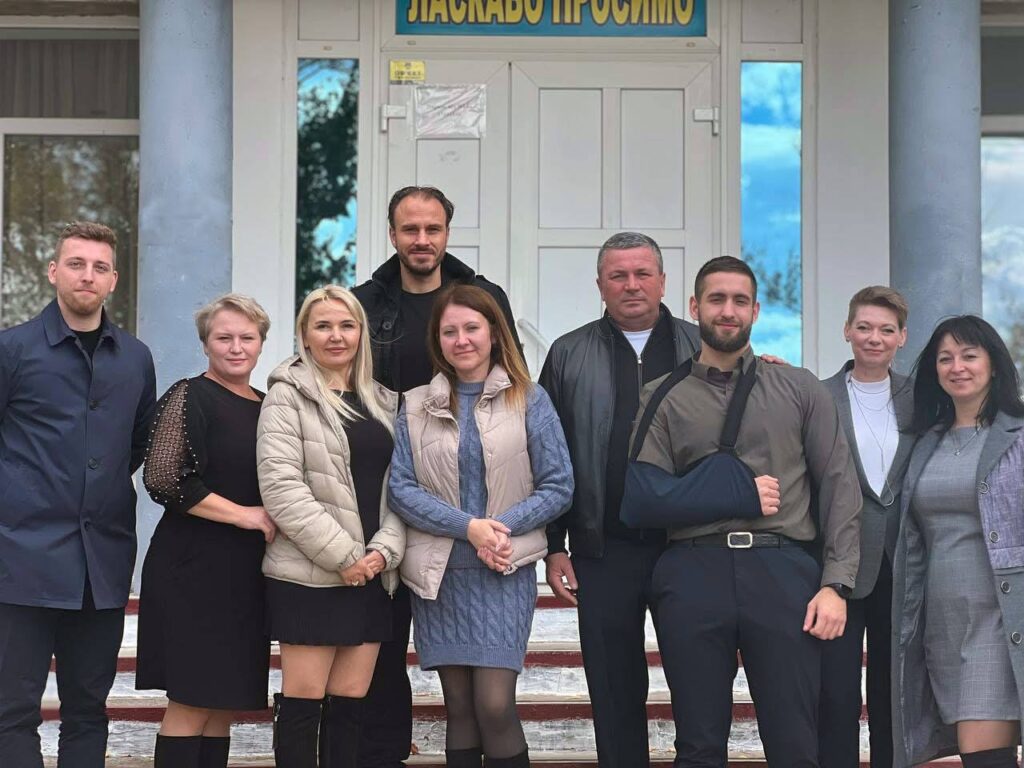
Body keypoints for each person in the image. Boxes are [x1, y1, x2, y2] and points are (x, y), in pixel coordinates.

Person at [630, 255, 861, 767]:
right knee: (698, 744)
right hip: (692, 570)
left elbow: (840, 487)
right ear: (695, 307)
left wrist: (836, 583)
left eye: (740, 301)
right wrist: (731, 495)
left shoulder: (799, 388)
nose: (728, 311)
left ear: (755, 310)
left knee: (794, 742)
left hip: (783, 572)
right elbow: (645, 497)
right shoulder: (661, 396)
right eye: (716, 299)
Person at [352, 185, 519, 768]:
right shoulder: (364, 303)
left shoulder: (482, 298)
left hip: (468, 505)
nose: (421, 240)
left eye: (432, 229)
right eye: (410, 229)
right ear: (392, 234)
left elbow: (512, 389)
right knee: (381, 639)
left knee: (473, 684)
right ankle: (384, 752)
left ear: (448, 232)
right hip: (377, 488)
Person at [389, 284, 572, 768]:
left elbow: (559, 485)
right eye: (449, 331)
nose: (461, 340)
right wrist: (469, 527)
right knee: (460, 708)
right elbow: (401, 489)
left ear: (494, 333)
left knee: (494, 704)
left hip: (503, 572)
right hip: (440, 575)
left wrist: (497, 529)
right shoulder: (414, 405)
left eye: (472, 328)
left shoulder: (530, 399)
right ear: (438, 340)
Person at [538, 231, 700, 768]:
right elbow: (548, 456)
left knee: (698, 684)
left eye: (642, 273)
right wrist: (554, 545)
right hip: (602, 548)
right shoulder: (568, 353)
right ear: (600, 285)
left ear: (662, 281)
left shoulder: (703, 348)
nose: (631, 285)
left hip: (689, 548)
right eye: (618, 275)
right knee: (612, 688)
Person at [0, 221, 157, 767]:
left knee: (88, 711)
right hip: (20, 561)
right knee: (12, 712)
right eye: (76, 264)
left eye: (99, 267)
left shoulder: (135, 357)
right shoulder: (12, 349)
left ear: (113, 279)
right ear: (53, 271)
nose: (87, 275)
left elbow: (136, 444)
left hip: (102, 565)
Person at [257, 286, 405, 768]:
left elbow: (403, 487)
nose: (336, 336)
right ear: (304, 335)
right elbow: (281, 487)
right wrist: (346, 557)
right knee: (303, 707)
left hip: (372, 574)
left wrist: (382, 553)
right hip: (310, 577)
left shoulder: (384, 401)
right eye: (323, 326)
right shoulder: (286, 396)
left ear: (361, 333)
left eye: (346, 325)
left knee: (350, 708)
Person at [136, 294, 277, 767]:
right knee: (192, 700)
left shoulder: (268, 406)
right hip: (191, 569)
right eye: (223, 338)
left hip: (245, 573)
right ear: (205, 344)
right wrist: (245, 515)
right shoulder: (189, 395)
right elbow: (162, 477)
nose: (236, 347)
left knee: (222, 703)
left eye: (247, 338)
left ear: (261, 343)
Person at [892, 315, 1024, 768]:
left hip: (1000, 616)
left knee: (983, 752)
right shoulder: (924, 442)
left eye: (969, 355)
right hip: (941, 621)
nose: (957, 367)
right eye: (945, 358)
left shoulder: (1018, 435)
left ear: (993, 364)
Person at [818, 287, 915, 768]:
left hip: (903, 563)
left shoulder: (923, 398)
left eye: (886, 329)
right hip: (836, 565)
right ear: (847, 331)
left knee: (891, 692)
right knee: (835, 692)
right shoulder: (818, 395)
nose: (874, 338)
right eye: (864, 327)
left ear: (902, 337)